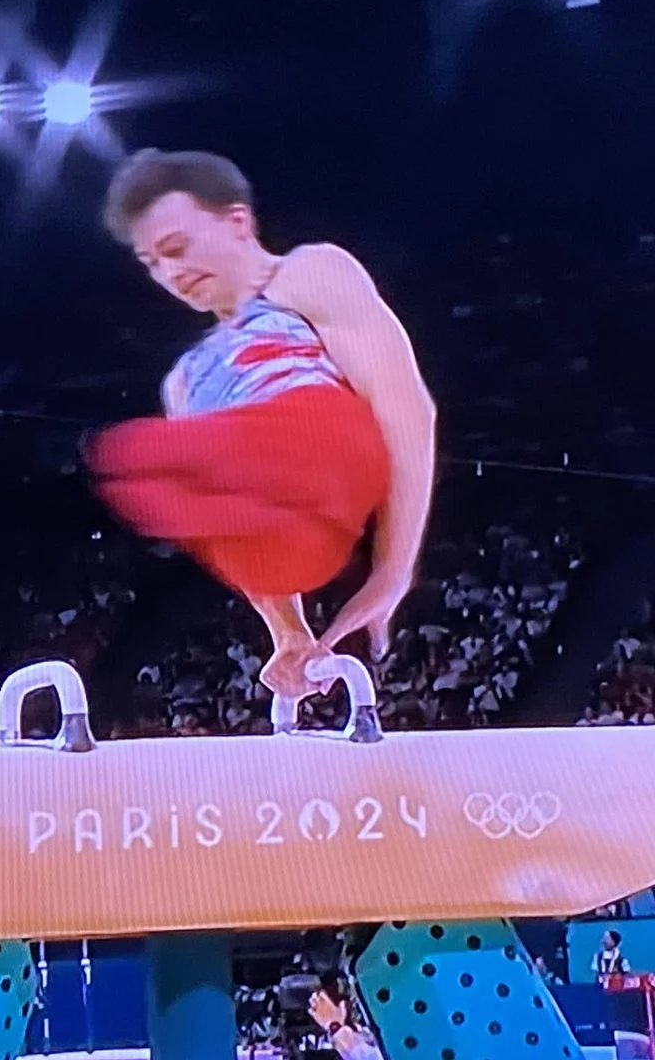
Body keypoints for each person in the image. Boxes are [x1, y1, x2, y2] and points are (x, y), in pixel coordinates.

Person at [88, 150, 438, 699]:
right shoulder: (184, 381)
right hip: (285, 540)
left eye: (176, 248)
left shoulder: (308, 274)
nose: (171, 274)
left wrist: (391, 571)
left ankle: (258, 459)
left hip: (329, 454)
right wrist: (289, 633)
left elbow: (408, 410)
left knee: (165, 453)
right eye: (152, 264)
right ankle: (250, 510)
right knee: (144, 465)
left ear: (237, 222)